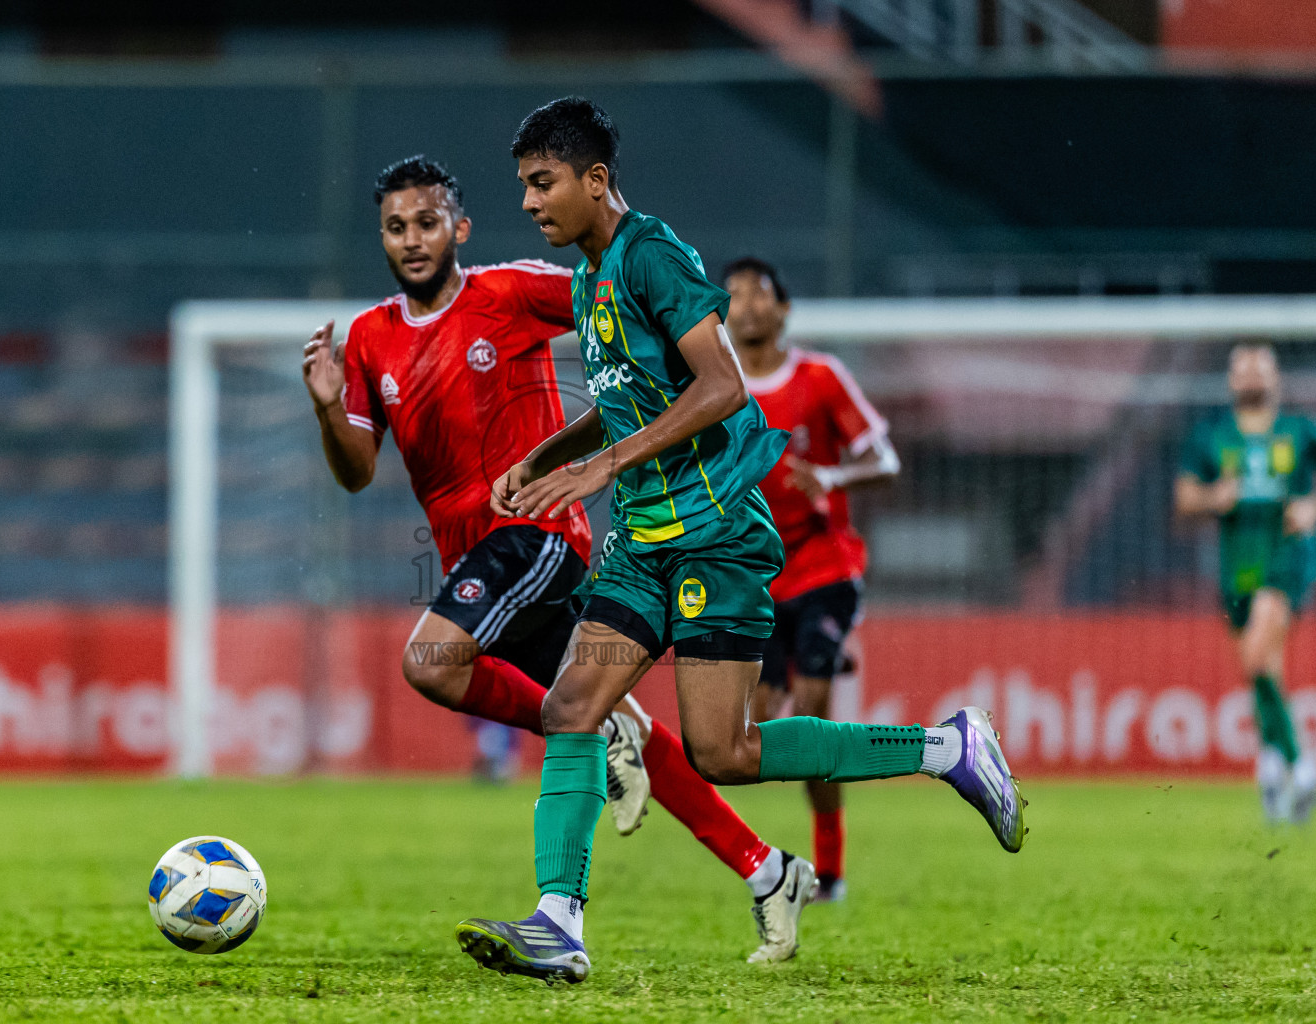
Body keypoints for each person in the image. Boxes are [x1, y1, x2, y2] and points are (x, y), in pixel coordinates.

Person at [456, 97, 1027, 984]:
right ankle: (558, 923)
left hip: (717, 533)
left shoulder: (652, 254)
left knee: (726, 753)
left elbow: (722, 387)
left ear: (594, 179)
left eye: (542, 183)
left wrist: (606, 465)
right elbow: (622, 400)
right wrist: (540, 458)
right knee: (572, 707)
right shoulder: (588, 276)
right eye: (524, 186)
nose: (529, 203)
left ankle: (947, 748)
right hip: (645, 545)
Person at [303, 155, 816, 962]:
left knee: (431, 661)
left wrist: (670, 371)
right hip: (474, 565)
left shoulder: (510, 291)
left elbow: (613, 296)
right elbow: (357, 471)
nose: (412, 239)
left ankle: (574, 875)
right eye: (396, 227)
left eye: (427, 222)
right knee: (617, 724)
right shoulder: (369, 340)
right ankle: (766, 869)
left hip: (539, 539)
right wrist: (331, 408)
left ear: (458, 228)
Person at [725, 256, 899, 904]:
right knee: (757, 730)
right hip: (753, 577)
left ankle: (830, 871)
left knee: (815, 705)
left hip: (825, 564)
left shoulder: (822, 376)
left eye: (759, 292)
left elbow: (884, 457)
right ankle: (765, 863)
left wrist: (831, 478)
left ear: (783, 309)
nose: (745, 304)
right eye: (733, 294)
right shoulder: (714, 390)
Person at [1175, 342, 1316, 824]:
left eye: (1260, 369)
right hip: (1236, 564)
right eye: (1242, 371)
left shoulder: (1301, 432)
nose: (1251, 378)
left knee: (1259, 651)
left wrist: (1315, 505)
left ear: (1276, 379)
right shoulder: (1212, 437)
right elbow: (1183, 499)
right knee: (1260, 664)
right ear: (1230, 382)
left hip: (1287, 553)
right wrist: (1211, 497)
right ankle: (1270, 763)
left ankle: (1303, 768)